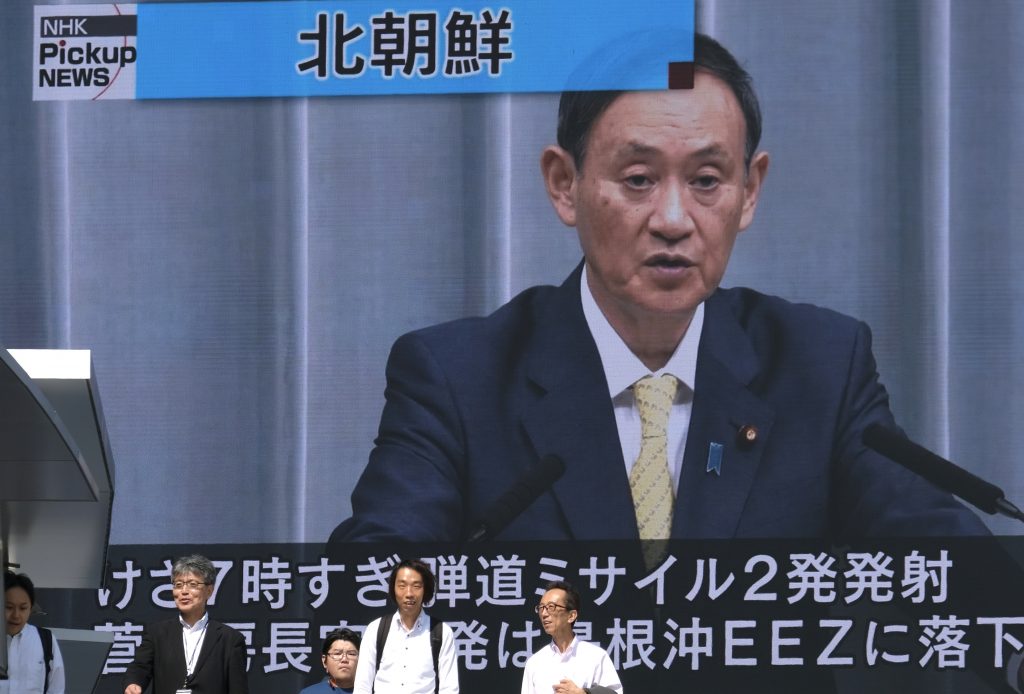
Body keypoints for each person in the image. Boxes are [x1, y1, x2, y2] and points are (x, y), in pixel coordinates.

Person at [330, 33, 988, 544]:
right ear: (565, 183)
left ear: (749, 190)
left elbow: (954, 565)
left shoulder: (819, 366)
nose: (674, 220)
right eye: (639, 178)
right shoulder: (458, 379)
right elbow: (373, 588)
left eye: (706, 180)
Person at [122, 554, 248, 694]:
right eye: (178, 585)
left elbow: (238, 689)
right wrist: (134, 683)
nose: (184, 592)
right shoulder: (157, 633)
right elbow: (140, 666)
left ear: (209, 591)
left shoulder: (230, 639)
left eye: (193, 585)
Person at [352, 559, 458, 694]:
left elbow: (449, 688)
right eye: (402, 586)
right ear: (393, 589)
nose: (409, 593)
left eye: (416, 586)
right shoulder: (376, 629)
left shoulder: (441, 631)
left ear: (426, 590)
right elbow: (363, 685)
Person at [521, 581, 621, 694]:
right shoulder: (535, 663)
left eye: (551, 607)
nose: (544, 613)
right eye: (541, 607)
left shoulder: (596, 656)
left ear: (571, 616)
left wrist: (583, 693)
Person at [3, 571, 64, 694]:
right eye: (8, 607)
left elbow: (56, 689)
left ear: (31, 608)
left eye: (23, 608)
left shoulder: (45, 640)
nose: (16, 615)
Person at [301, 627, 361, 693]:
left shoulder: (371, 690)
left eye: (351, 654)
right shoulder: (309, 692)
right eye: (337, 654)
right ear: (324, 661)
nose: (344, 659)